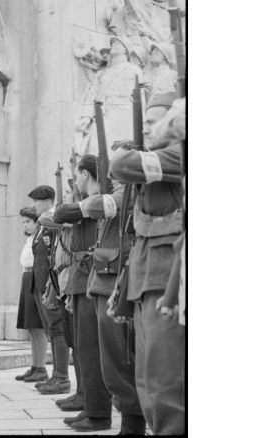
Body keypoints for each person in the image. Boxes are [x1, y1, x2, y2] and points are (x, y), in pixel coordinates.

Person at [108, 91, 184, 435]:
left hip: (166, 275)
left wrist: (135, 149)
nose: (148, 130)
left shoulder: (179, 154)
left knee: (166, 381)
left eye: (155, 122)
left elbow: (121, 165)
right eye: (147, 123)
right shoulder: (158, 156)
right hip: (144, 275)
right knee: (147, 379)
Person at [56, 155, 146, 434]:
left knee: (120, 360)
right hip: (102, 278)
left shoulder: (128, 193)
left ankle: (128, 423)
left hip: (116, 280)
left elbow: (103, 205)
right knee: (108, 360)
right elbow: (61, 215)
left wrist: (82, 204)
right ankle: (113, 417)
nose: (113, 169)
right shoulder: (117, 192)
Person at [28, 185, 71, 395]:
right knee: (50, 330)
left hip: (51, 285)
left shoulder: (53, 220)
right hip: (40, 283)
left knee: (57, 329)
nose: (33, 205)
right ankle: (56, 375)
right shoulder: (42, 225)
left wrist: (49, 287)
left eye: (36, 201)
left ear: (47, 201)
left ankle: (62, 377)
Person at [14, 207, 49, 383]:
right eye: (24, 222)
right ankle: (35, 366)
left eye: (28, 221)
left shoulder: (40, 238)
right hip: (27, 277)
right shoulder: (29, 239)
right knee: (31, 327)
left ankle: (41, 367)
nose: (25, 225)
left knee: (38, 325)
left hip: (35, 277)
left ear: (36, 222)